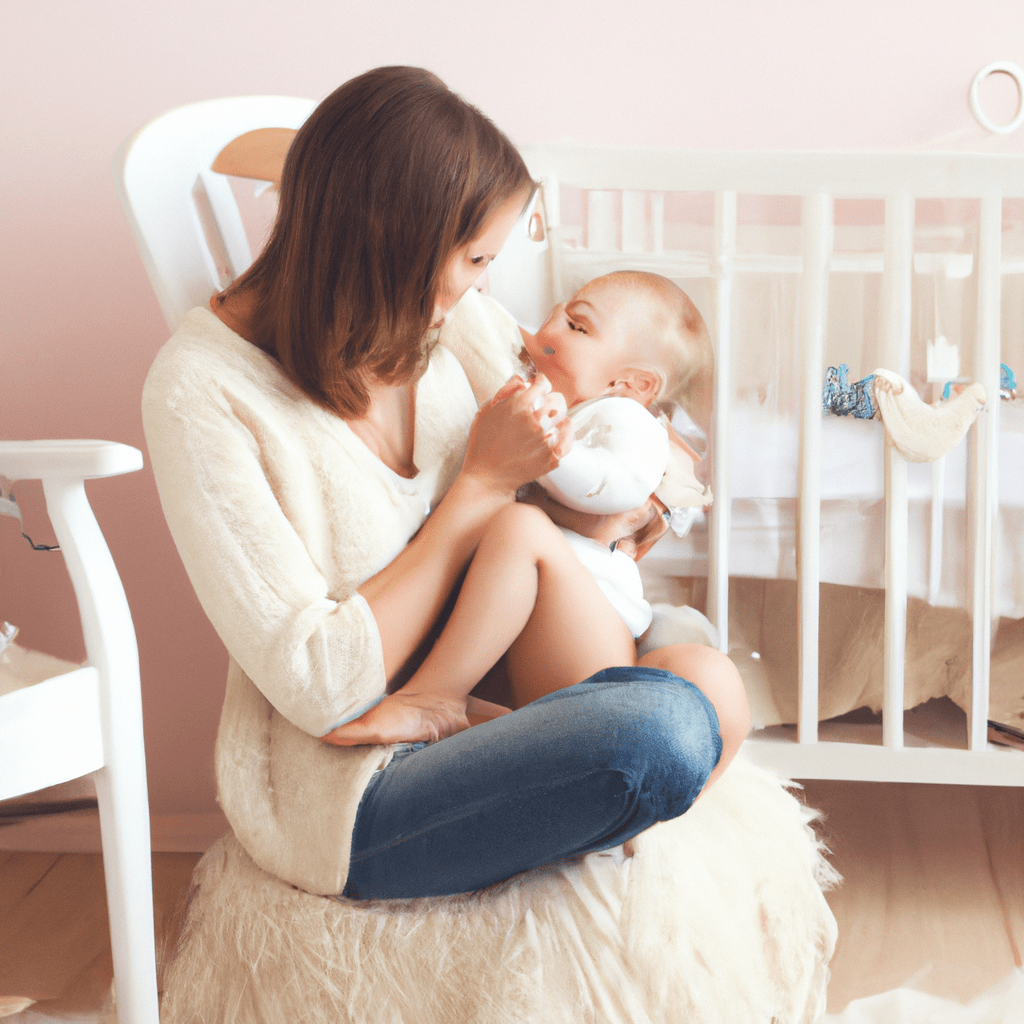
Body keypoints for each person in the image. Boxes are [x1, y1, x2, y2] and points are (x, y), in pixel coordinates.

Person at [142, 65, 749, 901]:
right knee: (663, 732)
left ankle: (584, 785)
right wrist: (481, 487)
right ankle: (582, 784)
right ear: (392, 238)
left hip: (512, 698)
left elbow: (606, 409)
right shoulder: (202, 394)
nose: (479, 287)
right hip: (367, 784)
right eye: (471, 259)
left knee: (700, 659)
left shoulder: (447, 320)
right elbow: (319, 687)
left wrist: (655, 487)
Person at [327, 271, 740, 768]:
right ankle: (498, 726)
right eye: (555, 315)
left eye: (577, 327)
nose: (549, 330)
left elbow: (616, 484)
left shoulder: (626, 420)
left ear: (631, 383)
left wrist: (544, 449)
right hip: (540, 651)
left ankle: (432, 699)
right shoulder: (570, 410)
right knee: (516, 538)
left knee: (523, 532)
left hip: (593, 645)